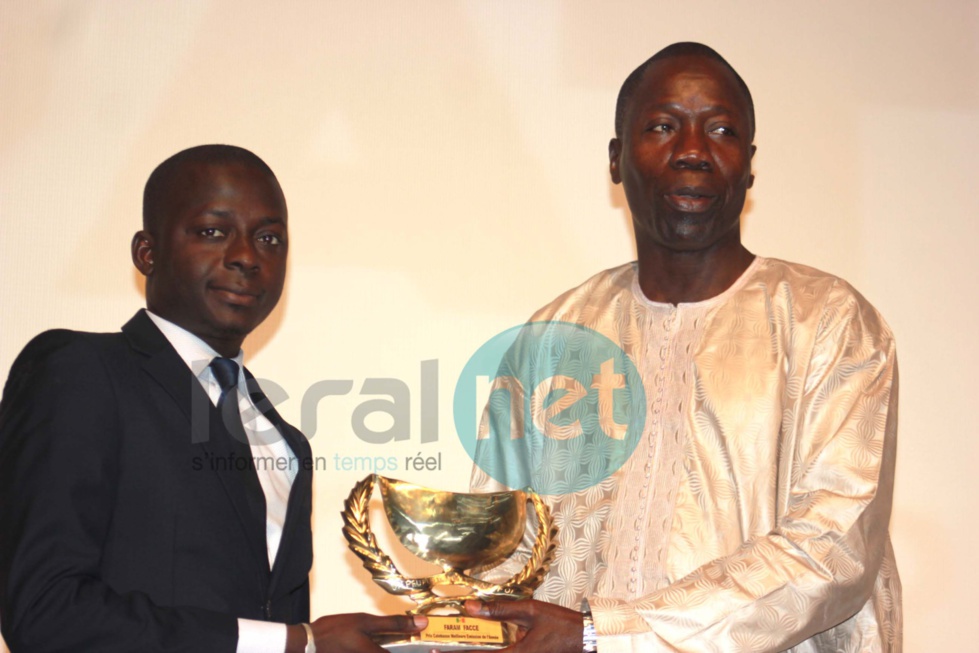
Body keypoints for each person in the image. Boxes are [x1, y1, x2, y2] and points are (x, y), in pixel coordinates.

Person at [467, 43, 902, 652]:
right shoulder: (554, 336)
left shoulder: (827, 321)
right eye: (663, 126)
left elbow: (833, 548)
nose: (693, 151)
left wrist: (605, 633)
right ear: (617, 160)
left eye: (720, 130)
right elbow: (497, 547)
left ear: (749, 166)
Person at [0, 145, 424, 652]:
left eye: (269, 238)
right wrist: (295, 642)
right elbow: (44, 610)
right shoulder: (80, 370)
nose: (247, 256)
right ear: (147, 253)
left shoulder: (286, 442)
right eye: (212, 231)